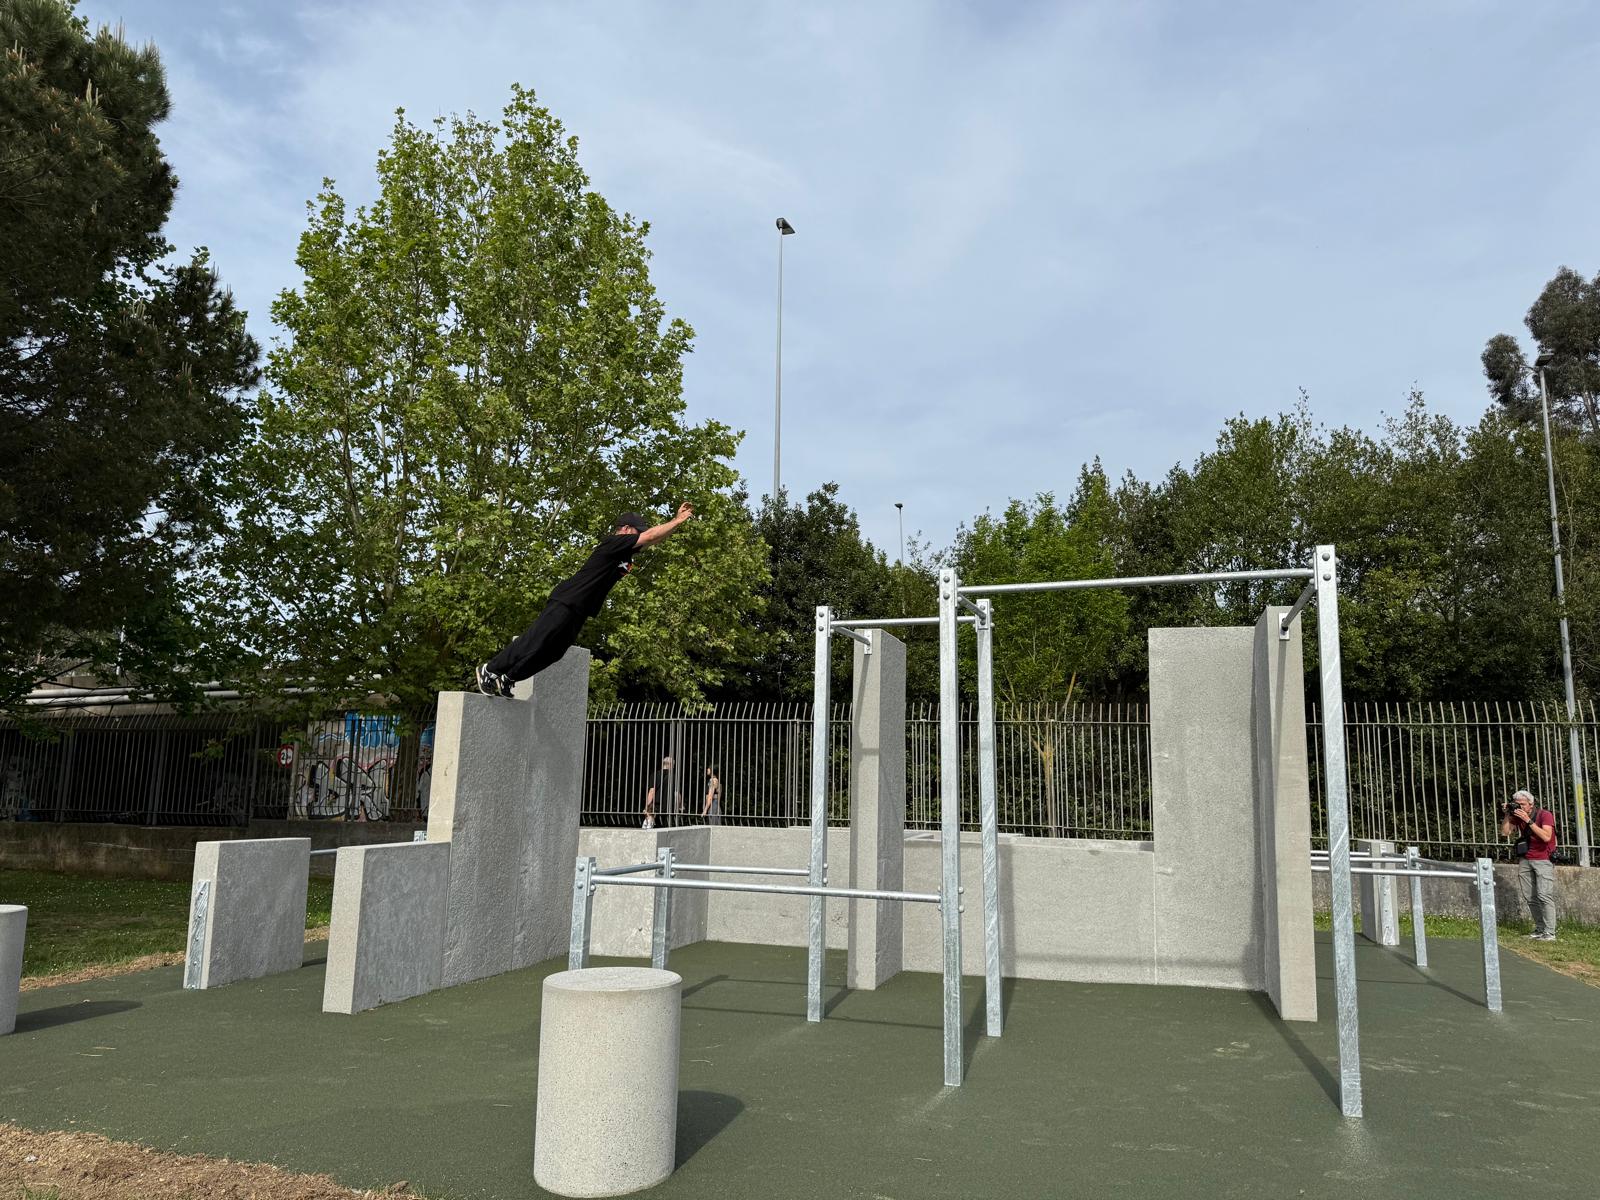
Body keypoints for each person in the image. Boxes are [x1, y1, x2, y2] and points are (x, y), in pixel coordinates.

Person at [476, 505, 693, 697]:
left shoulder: (626, 552)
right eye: (638, 532)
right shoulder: (614, 542)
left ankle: (509, 678)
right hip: (567, 599)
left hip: (581, 609)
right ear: (626, 530)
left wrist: (676, 524)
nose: (640, 538)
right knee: (536, 639)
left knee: (554, 652)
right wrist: (677, 520)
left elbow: (654, 539)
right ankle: (490, 669)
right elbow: (651, 537)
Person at [1500, 789, 1559, 941]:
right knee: (1530, 896)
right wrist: (1507, 814)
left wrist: (1528, 820)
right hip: (1526, 859)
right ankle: (1540, 929)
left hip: (1543, 858)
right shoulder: (1516, 815)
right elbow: (1505, 833)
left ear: (1531, 804)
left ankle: (1550, 933)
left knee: (1544, 895)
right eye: (1516, 804)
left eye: (1522, 804)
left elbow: (1546, 837)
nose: (1519, 807)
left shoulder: (1544, 815)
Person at [643, 755, 680, 830]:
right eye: (673, 766)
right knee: (666, 829)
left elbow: (651, 792)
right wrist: (679, 806)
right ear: (669, 765)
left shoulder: (655, 775)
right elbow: (677, 794)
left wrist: (647, 807)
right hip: (669, 807)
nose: (673, 767)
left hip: (656, 806)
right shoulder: (674, 777)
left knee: (653, 827)